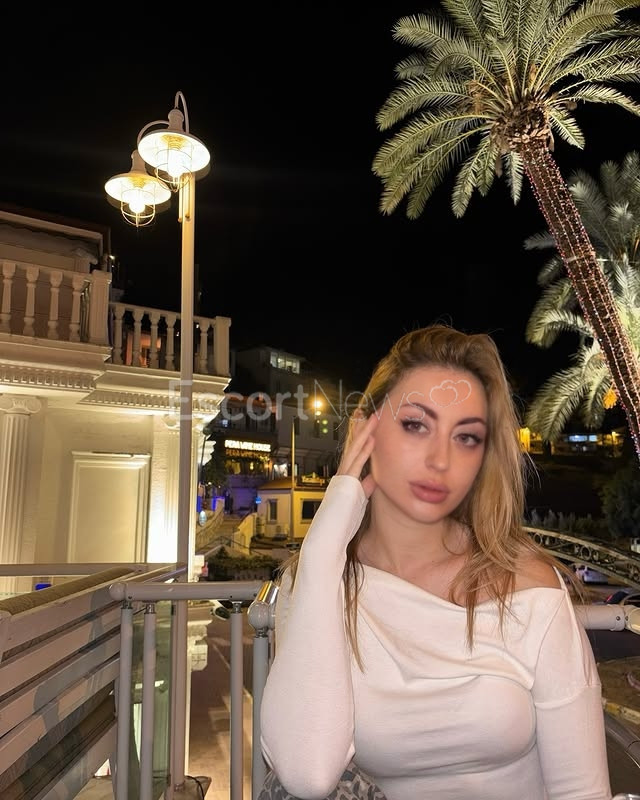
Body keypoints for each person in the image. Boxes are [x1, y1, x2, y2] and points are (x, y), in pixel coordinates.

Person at [259, 324, 612, 800]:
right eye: (415, 425)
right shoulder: (317, 584)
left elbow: (582, 791)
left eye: (466, 437)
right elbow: (307, 774)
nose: (440, 459)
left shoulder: (528, 587)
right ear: (365, 431)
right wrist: (323, 549)